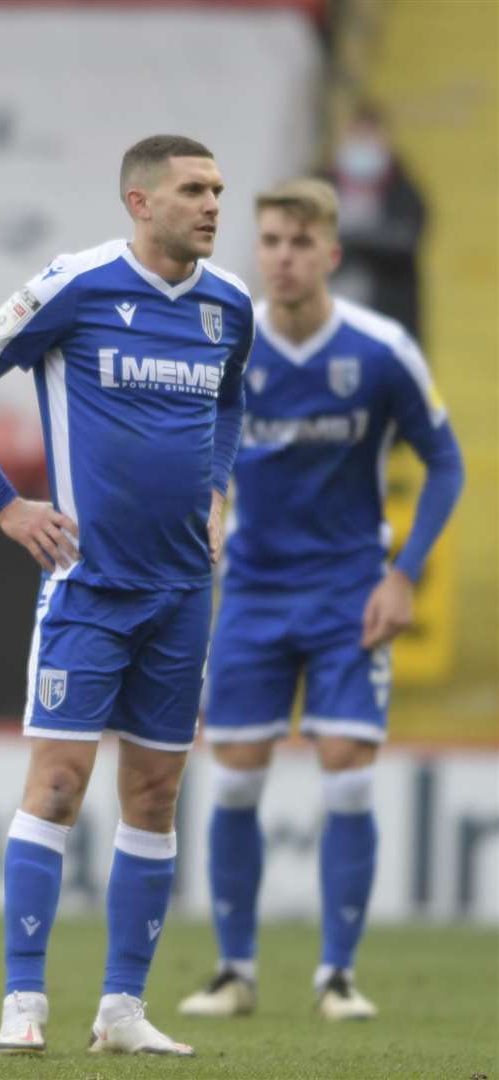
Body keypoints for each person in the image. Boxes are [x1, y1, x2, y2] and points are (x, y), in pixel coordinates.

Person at [0, 135, 253, 1057]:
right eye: (194, 189)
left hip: (186, 589)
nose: (213, 205)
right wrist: (5, 504)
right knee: (61, 784)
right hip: (90, 588)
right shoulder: (76, 283)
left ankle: (122, 1010)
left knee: (154, 793)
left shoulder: (230, 307)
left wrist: (218, 483)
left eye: (219, 189)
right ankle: (23, 1001)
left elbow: (229, 403)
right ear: (140, 203)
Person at [177, 178, 462, 1022]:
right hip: (255, 594)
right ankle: (234, 971)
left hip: (348, 594)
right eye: (269, 241)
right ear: (255, 250)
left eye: (300, 243)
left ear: (331, 254)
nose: (283, 257)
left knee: (344, 772)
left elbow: (445, 462)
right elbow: (196, 451)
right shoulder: (227, 345)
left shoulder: (379, 350)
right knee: (233, 782)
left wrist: (403, 572)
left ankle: (337, 974)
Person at [328, 103, 427, 339]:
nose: (362, 144)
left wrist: (350, 240)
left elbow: (404, 240)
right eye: (357, 135)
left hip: (387, 324)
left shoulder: (404, 192)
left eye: (369, 136)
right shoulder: (318, 186)